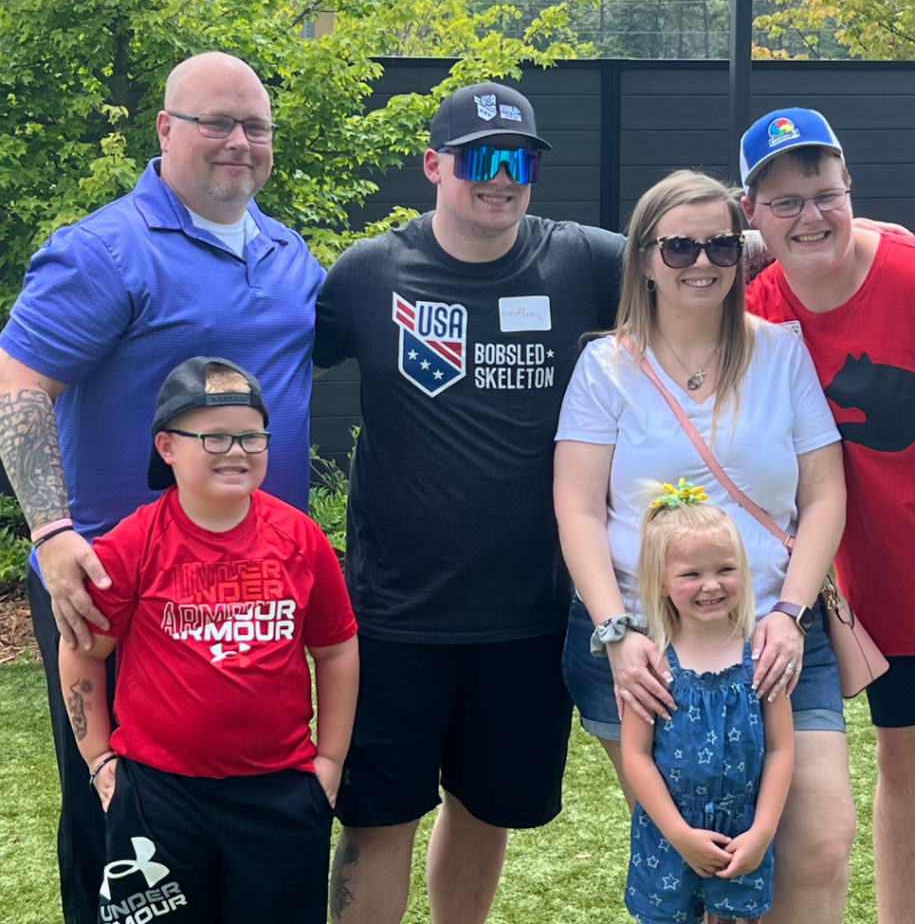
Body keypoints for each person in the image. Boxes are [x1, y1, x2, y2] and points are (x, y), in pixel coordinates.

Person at [0, 52, 326, 924]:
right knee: (118, 825)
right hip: (116, 583)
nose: (238, 141)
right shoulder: (103, 250)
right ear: (166, 131)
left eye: (255, 126)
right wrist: (52, 532)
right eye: (217, 121)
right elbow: (18, 384)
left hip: (258, 579)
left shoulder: (290, 253)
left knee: (246, 807)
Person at [313, 82, 624, 924]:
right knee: (378, 815)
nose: (502, 177)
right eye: (481, 158)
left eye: (519, 160)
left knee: (487, 811)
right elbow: (265, 358)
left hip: (526, 614)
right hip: (393, 615)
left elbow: (701, 253)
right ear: (433, 166)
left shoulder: (582, 261)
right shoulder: (367, 273)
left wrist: (855, 231)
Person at [740, 107, 915, 924]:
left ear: (850, 189)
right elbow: (662, 263)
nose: (811, 216)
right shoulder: (759, 311)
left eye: (824, 194)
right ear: (753, 215)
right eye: (785, 202)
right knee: (905, 764)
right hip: (891, 596)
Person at [554, 168, 853, 924]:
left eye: (721, 244)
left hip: (777, 640)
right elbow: (579, 510)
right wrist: (617, 635)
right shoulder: (606, 367)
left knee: (817, 845)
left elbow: (824, 495)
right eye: (679, 246)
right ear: (645, 259)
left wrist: (787, 612)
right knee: (693, 861)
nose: (702, 263)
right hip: (646, 648)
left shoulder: (781, 352)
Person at [57, 356, 358, 923]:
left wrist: (331, 761)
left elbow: (337, 647)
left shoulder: (300, 538)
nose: (238, 451)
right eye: (214, 437)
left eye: (250, 436)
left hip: (280, 790)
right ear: (167, 447)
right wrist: (98, 759)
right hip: (157, 798)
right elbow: (81, 649)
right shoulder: (133, 544)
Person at [621, 480, 794, 924]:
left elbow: (780, 749)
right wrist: (679, 835)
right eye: (691, 574)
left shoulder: (760, 658)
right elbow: (635, 756)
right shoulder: (652, 666)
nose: (711, 585)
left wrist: (763, 832)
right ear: (661, 582)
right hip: (668, 840)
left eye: (725, 569)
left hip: (743, 835)